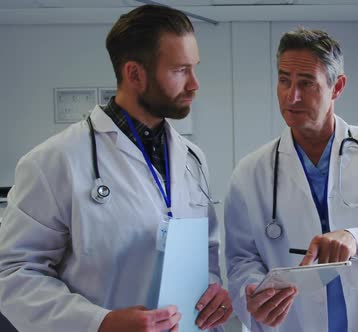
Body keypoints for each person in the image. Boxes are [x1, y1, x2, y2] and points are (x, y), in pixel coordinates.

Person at [0, 5, 232, 332]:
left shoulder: (192, 158)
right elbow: (13, 273)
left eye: (194, 68)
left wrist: (211, 290)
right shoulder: (54, 160)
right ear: (135, 74)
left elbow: (205, 252)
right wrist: (100, 322)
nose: (195, 84)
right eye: (180, 70)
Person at [224, 28, 358, 331]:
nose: (291, 95)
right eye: (284, 80)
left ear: (336, 87)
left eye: (306, 83)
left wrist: (357, 240)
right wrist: (255, 289)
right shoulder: (250, 173)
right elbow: (241, 260)